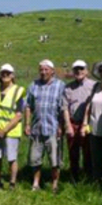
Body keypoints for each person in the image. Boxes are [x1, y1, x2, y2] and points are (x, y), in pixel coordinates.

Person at [25, 59, 72, 194]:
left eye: (46, 69)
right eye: (41, 69)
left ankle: (55, 184)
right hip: (37, 128)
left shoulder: (60, 86)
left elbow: (63, 108)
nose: (43, 72)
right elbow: (28, 106)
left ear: (52, 71)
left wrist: (61, 126)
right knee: (35, 158)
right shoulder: (33, 85)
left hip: (53, 128)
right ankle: (36, 183)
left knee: (55, 159)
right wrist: (27, 124)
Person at [0, 63, 26, 190]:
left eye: (8, 73)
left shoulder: (19, 91)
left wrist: (4, 131)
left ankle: (12, 183)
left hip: (11, 131)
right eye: (3, 73)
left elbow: (19, 115)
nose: (5, 75)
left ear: (13, 75)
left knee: (11, 158)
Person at [63, 60, 96, 182]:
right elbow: (65, 107)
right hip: (73, 123)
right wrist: (68, 125)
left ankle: (88, 177)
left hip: (87, 124)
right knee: (73, 152)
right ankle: (74, 177)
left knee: (88, 153)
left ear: (86, 71)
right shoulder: (68, 87)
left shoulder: (94, 85)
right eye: (76, 69)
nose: (79, 71)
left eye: (81, 69)